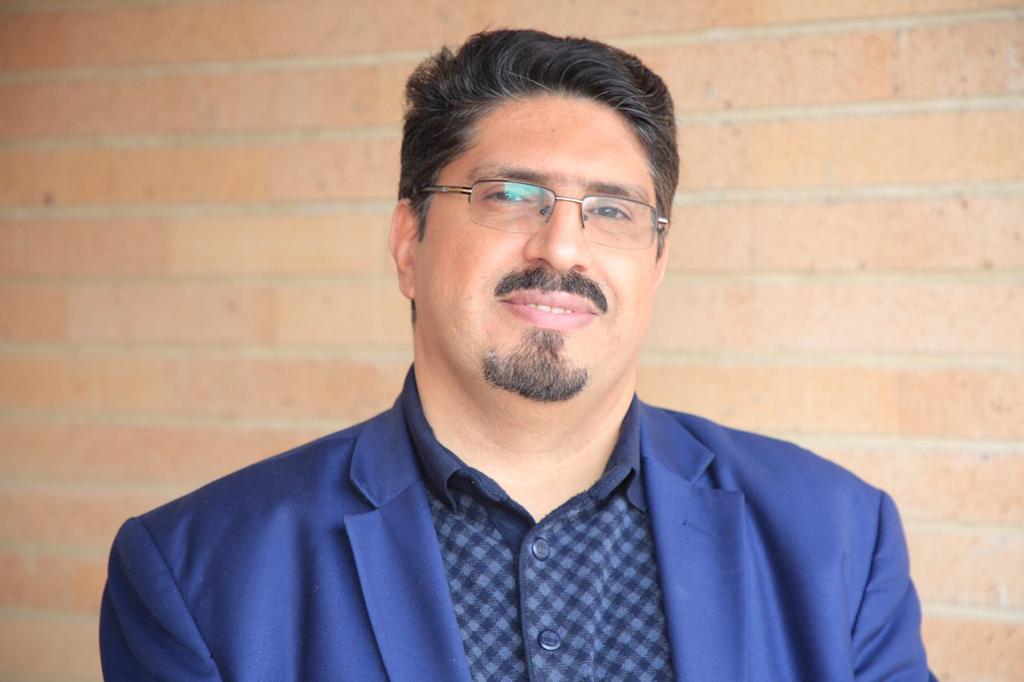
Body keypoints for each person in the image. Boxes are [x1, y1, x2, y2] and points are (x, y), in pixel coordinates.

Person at [99, 29, 934, 681]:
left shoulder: (839, 539)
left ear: (656, 265)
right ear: (408, 242)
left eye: (612, 211)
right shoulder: (197, 575)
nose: (562, 246)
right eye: (510, 196)